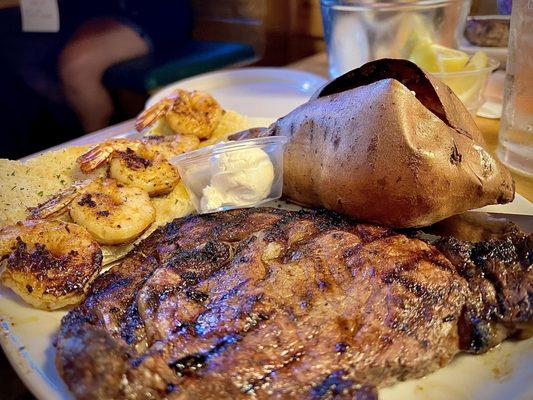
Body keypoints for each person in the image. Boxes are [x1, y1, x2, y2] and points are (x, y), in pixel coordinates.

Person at [0, 1, 192, 158]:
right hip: (86, 13)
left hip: (149, 14)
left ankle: (100, 150)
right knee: (20, 53)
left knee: (77, 69)